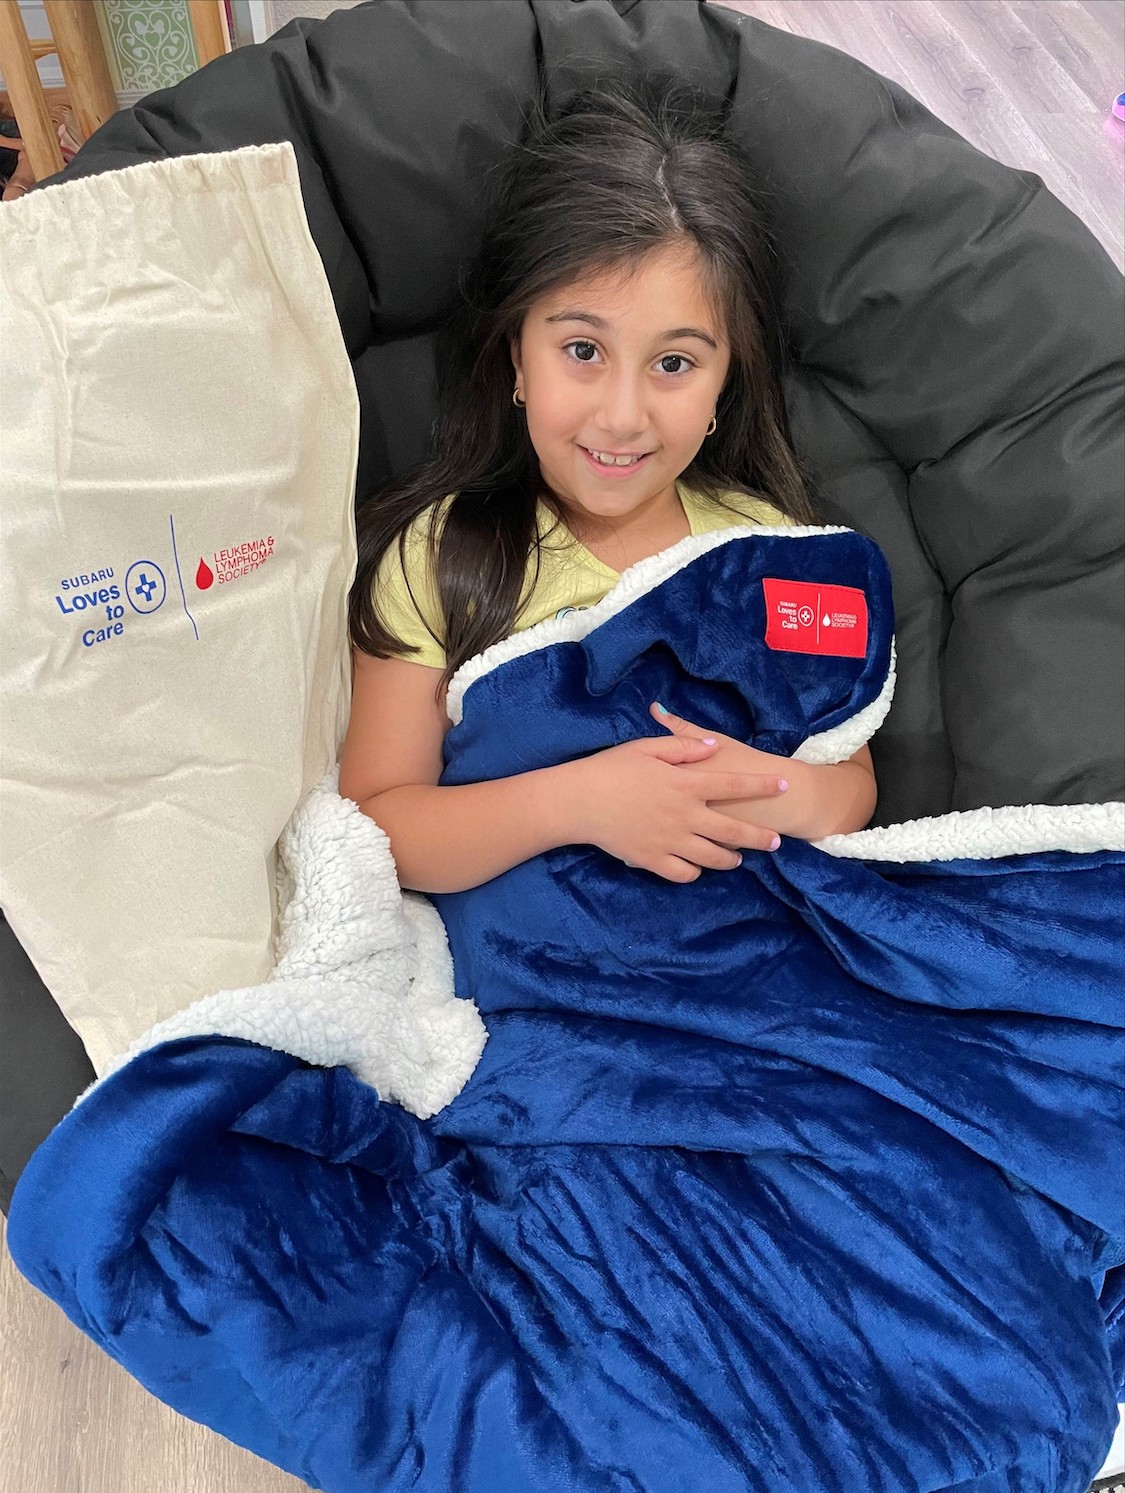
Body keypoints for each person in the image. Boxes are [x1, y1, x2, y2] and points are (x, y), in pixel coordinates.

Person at [339, 79, 877, 893]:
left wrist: (756, 791)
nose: (622, 417)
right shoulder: (439, 557)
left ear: (726, 383)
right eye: (583, 351)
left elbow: (850, 786)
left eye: (673, 364)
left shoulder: (769, 557)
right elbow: (377, 823)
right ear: (517, 356)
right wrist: (583, 802)